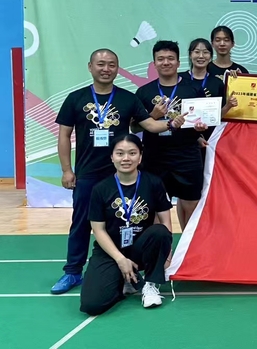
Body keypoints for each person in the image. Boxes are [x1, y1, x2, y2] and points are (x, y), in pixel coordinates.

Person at [51, 49, 179, 295]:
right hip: (87, 174)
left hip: (122, 176)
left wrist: (172, 123)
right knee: (80, 223)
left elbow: (149, 125)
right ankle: (73, 271)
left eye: (111, 64)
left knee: (133, 220)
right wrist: (67, 170)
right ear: (90, 67)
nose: (106, 69)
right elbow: (64, 135)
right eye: (101, 64)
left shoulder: (128, 99)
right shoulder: (75, 98)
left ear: (117, 69)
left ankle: (137, 268)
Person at [80, 134, 174, 315]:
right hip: (111, 251)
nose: (126, 158)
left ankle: (150, 284)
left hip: (141, 248)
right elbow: (98, 230)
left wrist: (167, 255)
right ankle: (126, 281)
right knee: (92, 305)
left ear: (140, 157)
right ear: (112, 157)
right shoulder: (100, 189)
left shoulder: (154, 183)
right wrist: (120, 259)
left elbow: (165, 222)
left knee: (159, 232)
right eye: (120, 153)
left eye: (132, 153)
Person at [135, 41, 207, 231]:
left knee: (191, 203)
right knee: (154, 206)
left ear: (178, 62)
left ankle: (188, 246)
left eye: (170, 58)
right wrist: (153, 115)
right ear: (154, 63)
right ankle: (159, 248)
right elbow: (133, 127)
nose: (165, 62)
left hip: (187, 156)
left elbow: (203, 120)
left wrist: (200, 129)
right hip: (154, 157)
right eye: (160, 59)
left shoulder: (193, 89)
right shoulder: (144, 92)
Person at [180, 38, 239, 154]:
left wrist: (228, 106)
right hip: (184, 139)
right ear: (190, 55)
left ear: (211, 56)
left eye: (205, 52)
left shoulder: (217, 83)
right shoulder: (180, 79)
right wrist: (195, 137)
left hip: (210, 139)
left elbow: (218, 116)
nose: (201, 56)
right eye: (197, 52)